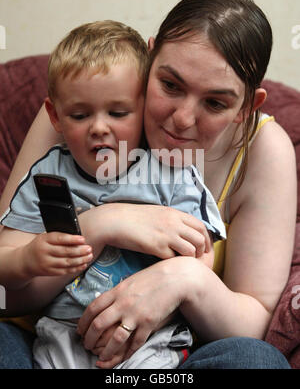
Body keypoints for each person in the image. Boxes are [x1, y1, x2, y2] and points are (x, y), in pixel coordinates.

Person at [0, 0, 295, 369]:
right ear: (149, 59)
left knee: (255, 361)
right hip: (44, 345)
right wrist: (99, 224)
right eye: (169, 85)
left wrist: (181, 279)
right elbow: (6, 287)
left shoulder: (265, 151)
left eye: (216, 103)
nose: (182, 119)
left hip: (163, 361)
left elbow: (253, 321)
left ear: (247, 106)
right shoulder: (90, 107)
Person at [0, 20, 225, 369]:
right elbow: (4, 261)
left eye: (118, 113)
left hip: (147, 342)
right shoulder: (48, 176)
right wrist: (27, 258)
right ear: (55, 116)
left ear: (145, 107)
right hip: (62, 339)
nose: (99, 127)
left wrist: (175, 278)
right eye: (79, 114)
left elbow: (200, 255)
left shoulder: (170, 173)